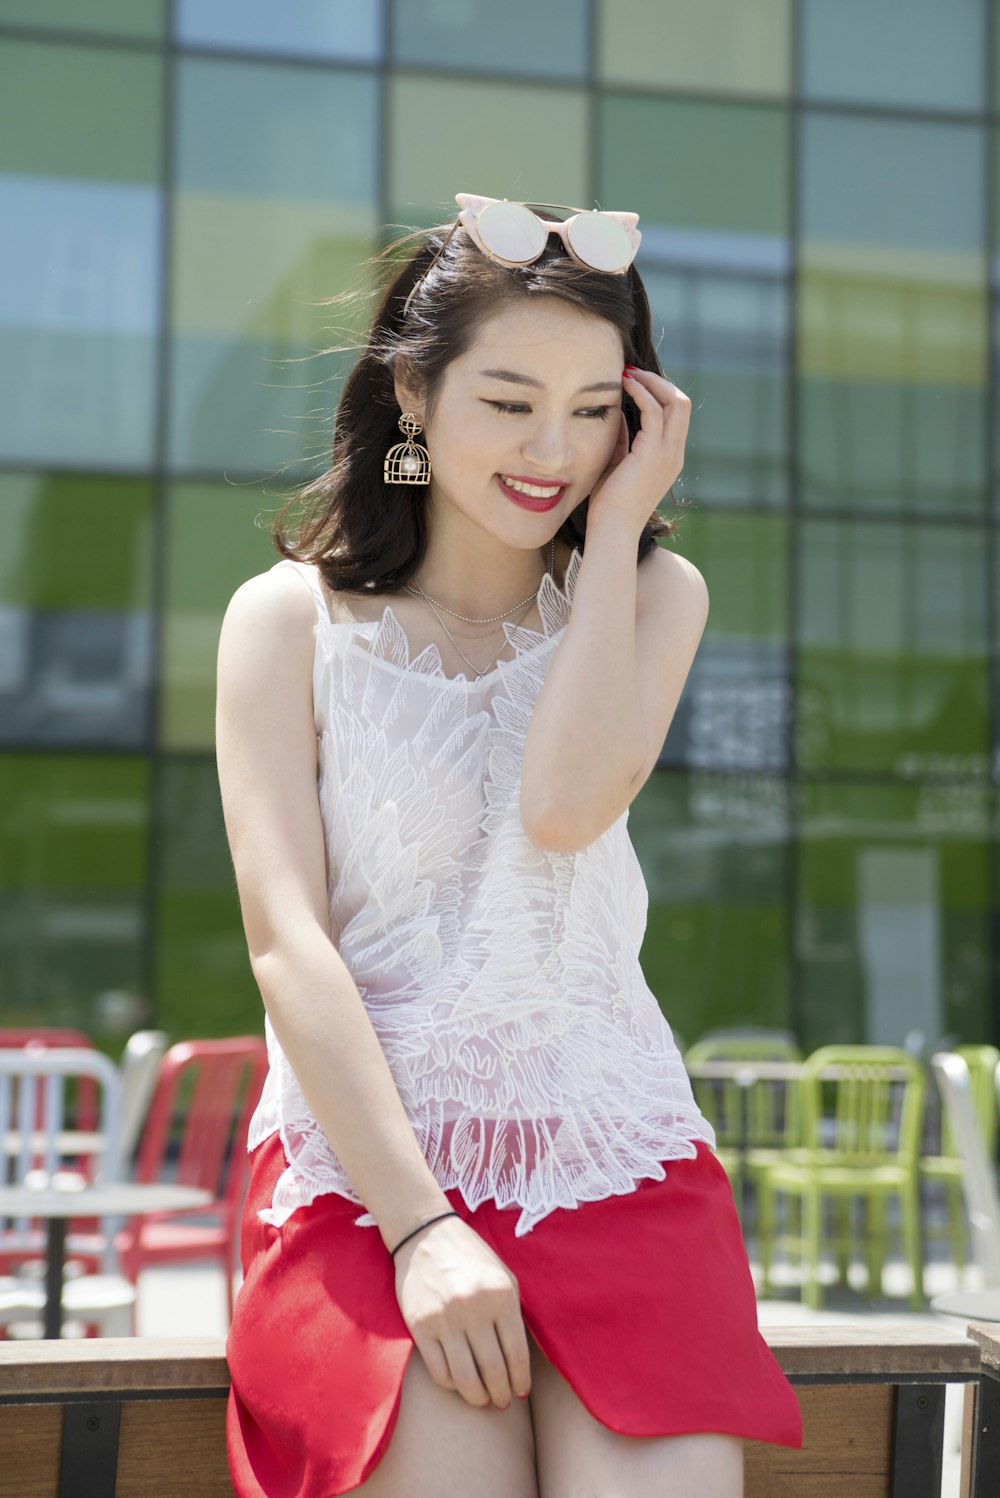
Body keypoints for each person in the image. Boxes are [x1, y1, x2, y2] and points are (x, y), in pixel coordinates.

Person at [216, 193, 803, 1498]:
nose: (554, 446)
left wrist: (608, 539)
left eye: (598, 408)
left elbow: (563, 806)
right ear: (413, 395)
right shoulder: (285, 625)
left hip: (608, 1148)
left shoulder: (656, 593)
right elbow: (287, 944)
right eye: (510, 398)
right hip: (361, 1180)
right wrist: (422, 1225)